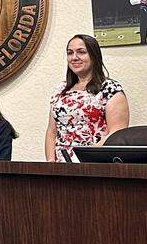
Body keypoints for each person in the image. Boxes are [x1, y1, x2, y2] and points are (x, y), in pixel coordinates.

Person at [45, 34, 130, 162]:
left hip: (95, 164)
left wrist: (89, 155)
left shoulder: (110, 89)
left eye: (81, 52)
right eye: (70, 53)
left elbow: (117, 133)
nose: (74, 57)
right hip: (61, 168)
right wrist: (50, 163)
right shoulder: (61, 89)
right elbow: (52, 132)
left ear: (94, 56)